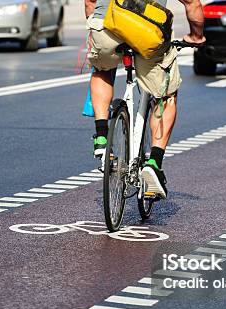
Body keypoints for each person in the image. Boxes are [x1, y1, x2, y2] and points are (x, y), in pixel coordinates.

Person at [85, 0, 205, 199]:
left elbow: (90, 2)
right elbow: (192, 3)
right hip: (147, 28)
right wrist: (196, 36)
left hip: (106, 23)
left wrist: (96, 25)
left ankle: (101, 137)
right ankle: (154, 163)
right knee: (165, 95)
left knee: (102, 70)